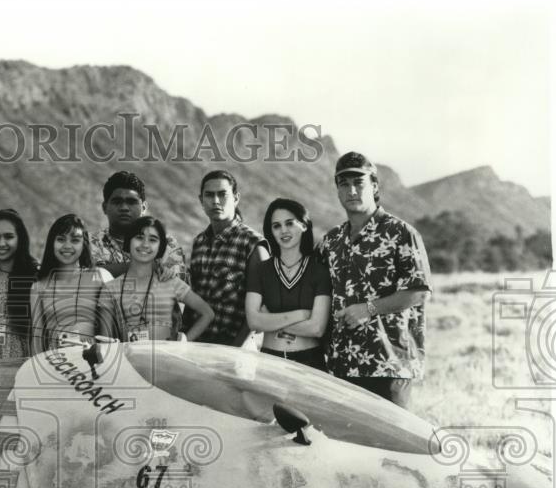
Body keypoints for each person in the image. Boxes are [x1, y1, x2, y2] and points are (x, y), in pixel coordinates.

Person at [316, 151, 432, 407]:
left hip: (388, 365)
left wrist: (368, 309)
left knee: (392, 446)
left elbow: (419, 291)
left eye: (359, 183)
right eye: (344, 184)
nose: (352, 190)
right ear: (337, 190)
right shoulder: (331, 241)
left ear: (375, 186)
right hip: (341, 365)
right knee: (345, 446)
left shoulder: (401, 233)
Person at [183, 170, 269, 346]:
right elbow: (193, 298)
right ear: (201, 200)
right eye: (209, 195)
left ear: (236, 198)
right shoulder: (199, 242)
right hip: (196, 347)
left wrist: (234, 351)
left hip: (234, 351)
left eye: (222, 194)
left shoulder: (252, 244)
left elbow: (258, 307)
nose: (215, 201)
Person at [244, 198, 331, 370]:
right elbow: (253, 321)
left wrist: (271, 322)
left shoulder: (319, 271)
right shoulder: (260, 270)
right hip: (269, 361)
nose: (283, 230)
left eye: (290, 223)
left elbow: (317, 328)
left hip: (309, 363)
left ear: (304, 226)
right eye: (276, 226)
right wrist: (302, 314)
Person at [100, 216, 214, 342]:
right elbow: (105, 340)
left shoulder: (169, 281)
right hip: (129, 358)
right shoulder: (109, 289)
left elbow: (207, 313)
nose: (145, 244)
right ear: (129, 241)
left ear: (160, 247)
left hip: (168, 358)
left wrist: (185, 341)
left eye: (153, 240)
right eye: (139, 237)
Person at [30, 214, 112, 352]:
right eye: (61, 239)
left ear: (84, 243)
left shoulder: (99, 277)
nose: (67, 246)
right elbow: (37, 338)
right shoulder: (38, 287)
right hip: (57, 364)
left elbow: (111, 330)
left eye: (75, 240)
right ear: (52, 243)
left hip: (91, 362)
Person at [90, 171, 186, 279]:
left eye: (131, 202)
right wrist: (148, 266)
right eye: (117, 202)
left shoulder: (167, 243)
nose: (124, 208)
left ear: (144, 208)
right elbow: (84, 277)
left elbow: (178, 282)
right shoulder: (90, 242)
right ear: (104, 207)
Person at [0, 209, 39, 359]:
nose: (1, 243)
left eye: (9, 237)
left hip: (22, 361)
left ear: (20, 239)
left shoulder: (33, 275)